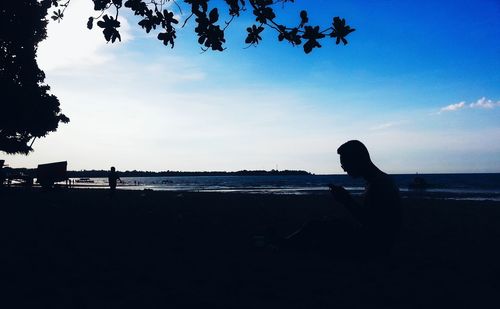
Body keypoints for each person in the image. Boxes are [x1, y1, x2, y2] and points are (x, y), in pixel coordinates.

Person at [283, 140, 401, 258]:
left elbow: (372, 224)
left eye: (345, 164)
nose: (344, 169)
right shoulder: (379, 181)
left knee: (317, 228)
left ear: (357, 160)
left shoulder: (379, 185)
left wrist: (346, 200)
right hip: (380, 243)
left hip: (375, 247)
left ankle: (284, 247)